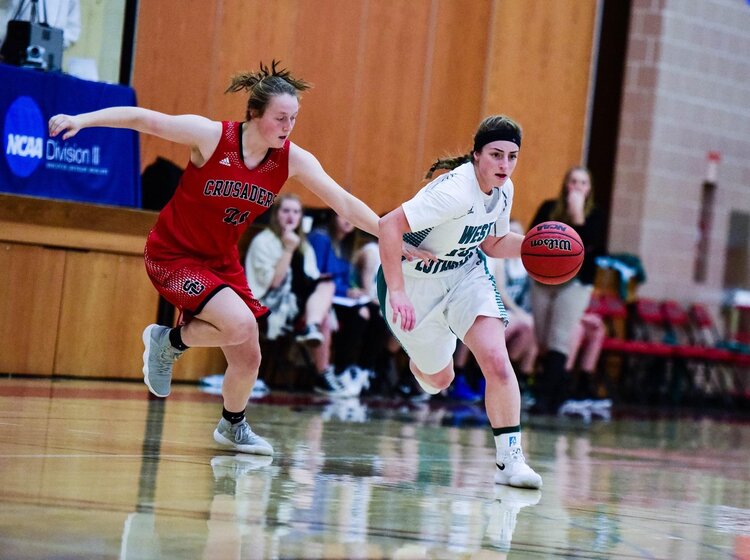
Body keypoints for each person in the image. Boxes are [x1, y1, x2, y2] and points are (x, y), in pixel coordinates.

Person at [48, 60, 382, 456]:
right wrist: (83, 119)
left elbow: (342, 201)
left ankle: (232, 426)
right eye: (280, 117)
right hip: (172, 255)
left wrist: (390, 235)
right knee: (240, 324)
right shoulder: (211, 137)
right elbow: (145, 119)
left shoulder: (290, 159)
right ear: (255, 114)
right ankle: (168, 342)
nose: (288, 126)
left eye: (293, 118)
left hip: (221, 262)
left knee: (249, 353)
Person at [378, 115, 542, 489]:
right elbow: (389, 225)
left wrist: (535, 245)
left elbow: (493, 244)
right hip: (417, 283)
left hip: (466, 274)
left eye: (512, 156)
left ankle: (510, 460)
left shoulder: (504, 190)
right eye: (496, 155)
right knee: (440, 378)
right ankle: (422, 363)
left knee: (497, 361)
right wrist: (398, 290)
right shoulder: (453, 191)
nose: (504, 165)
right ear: (476, 155)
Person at [244, 193, 350, 397]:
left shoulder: (305, 245)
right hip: (273, 304)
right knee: (324, 318)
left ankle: (311, 328)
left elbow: (311, 278)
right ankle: (322, 373)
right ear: (276, 215)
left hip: (301, 304)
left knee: (327, 286)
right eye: (286, 211)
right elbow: (273, 284)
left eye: (296, 212)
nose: (291, 216)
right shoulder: (264, 241)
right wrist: (288, 249)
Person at [528, 166, 607, 414]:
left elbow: (594, 248)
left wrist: (577, 215)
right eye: (573, 181)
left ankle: (545, 398)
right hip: (543, 280)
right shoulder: (548, 208)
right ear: (566, 184)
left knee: (559, 337)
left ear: (589, 188)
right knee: (542, 339)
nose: (577, 186)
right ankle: (560, 389)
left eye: (583, 182)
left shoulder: (596, 216)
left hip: (576, 283)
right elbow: (531, 239)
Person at [0, 0, 81, 49]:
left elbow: (73, 30)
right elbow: (5, 11)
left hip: (47, 60)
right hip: (11, 51)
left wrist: (54, 45)